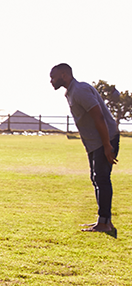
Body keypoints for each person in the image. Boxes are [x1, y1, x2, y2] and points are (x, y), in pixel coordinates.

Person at [50, 63, 120, 235]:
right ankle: (104, 220)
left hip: (104, 140)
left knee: (101, 179)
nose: (51, 81)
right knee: (96, 178)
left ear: (64, 75)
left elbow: (99, 117)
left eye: (53, 77)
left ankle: (104, 222)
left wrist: (106, 145)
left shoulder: (80, 90)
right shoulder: (71, 92)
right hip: (94, 144)